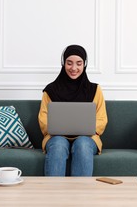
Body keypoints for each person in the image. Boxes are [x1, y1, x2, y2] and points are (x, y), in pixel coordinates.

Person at [38, 44, 108, 176]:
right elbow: (43, 118)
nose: (74, 68)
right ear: (63, 64)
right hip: (56, 137)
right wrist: (55, 128)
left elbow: (102, 118)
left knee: (82, 144)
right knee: (58, 145)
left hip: (87, 137)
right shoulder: (51, 90)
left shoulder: (95, 90)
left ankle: (81, 195)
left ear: (84, 65)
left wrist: (88, 128)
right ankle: (53, 194)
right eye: (69, 63)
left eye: (79, 63)